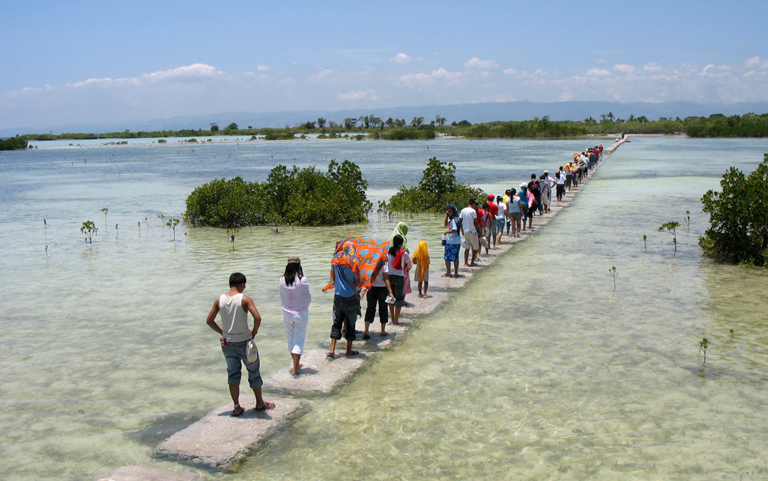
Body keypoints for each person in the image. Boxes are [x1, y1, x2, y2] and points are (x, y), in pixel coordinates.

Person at [206, 272, 275, 416]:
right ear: (242, 285)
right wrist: (254, 332)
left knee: (233, 374)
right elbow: (258, 317)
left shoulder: (219, 300)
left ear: (230, 284)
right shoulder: (245, 299)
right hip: (244, 342)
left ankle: (237, 407)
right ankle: (259, 403)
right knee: (254, 372)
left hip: (227, 343)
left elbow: (209, 320)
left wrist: (222, 332)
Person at [279, 257, 311, 378]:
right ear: (299, 266)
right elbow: (308, 298)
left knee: (290, 340)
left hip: (287, 313)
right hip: (300, 313)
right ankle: (295, 369)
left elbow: (282, 296)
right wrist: (303, 307)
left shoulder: (282, 280)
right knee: (298, 341)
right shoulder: (302, 280)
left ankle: (295, 364)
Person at [328, 240, 360, 358]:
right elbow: (357, 283)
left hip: (338, 296)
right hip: (350, 297)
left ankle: (332, 350)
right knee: (351, 324)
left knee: (337, 322)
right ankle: (348, 350)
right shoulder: (354, 264)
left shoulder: (335, 262)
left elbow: (334, 279)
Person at [363, 254, 395, 339]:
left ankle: (366, 330)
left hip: (371, 289)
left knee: (370, 309)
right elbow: (386, 279)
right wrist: (391, 292)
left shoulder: (370, 265)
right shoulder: (384, 266)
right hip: (382, 290)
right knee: (383, 309)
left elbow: (366, 277)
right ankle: (383, 330)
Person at [387, 234, 412, 325]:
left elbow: (385, 263)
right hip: (399, 277)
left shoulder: (388, 252)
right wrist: (407, 268)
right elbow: (410, 264)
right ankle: (396, 320)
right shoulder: (403, 253)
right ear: (401, 244)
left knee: (391, 298)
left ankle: (392, 318)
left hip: (389, 277)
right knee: (399, 299)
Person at [389, 222, 412, 300]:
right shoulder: (402, 238)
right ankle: (402, 300)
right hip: (402, 262)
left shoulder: (393, 236)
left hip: (392, 266)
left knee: (392, 287)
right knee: (405, 282)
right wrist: (408, 266)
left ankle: (393, 299)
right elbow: (405, 250)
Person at [460, 198, 480, 266]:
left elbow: (460, 221)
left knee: (467, 247)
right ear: (473, 203)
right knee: (474, 247)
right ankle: (472, 262)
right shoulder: (473, 211)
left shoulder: (463, 210)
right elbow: (476, 222)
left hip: (465, 232)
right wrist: (480, 230)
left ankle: (465, 262)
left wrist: (462, 230)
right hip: (472, 231)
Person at [443, 204, 462, 277]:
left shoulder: (453, 220)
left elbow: (454, 230)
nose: (449, 212)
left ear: (453, 212)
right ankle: (456, 273)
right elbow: (445, 224)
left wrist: (446, 232)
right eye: (448, 211)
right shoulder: (457, 219)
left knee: (447, 257)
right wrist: (447, 216)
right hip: (457, 241)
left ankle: (448, 272)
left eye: (450, 211)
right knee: (456, 258)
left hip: (451, 241)